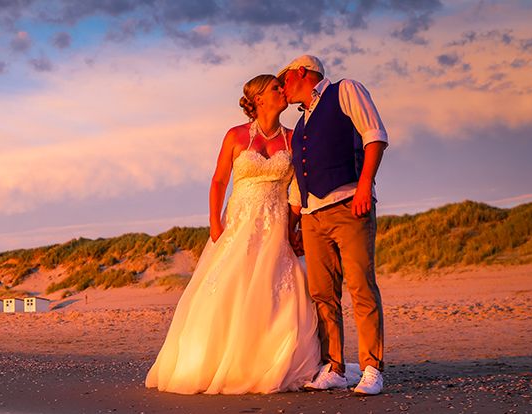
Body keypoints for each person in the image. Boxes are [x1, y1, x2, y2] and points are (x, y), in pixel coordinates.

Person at [145, 75, 320, 395]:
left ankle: (268, 358)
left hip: (276, 221)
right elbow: (218, 181)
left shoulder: (293, 137)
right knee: (228, 285)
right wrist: (214, 220)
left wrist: (294, 226)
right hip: (239, 221)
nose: (282, 92)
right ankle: (217, 360)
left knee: (276, 289)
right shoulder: (236, 136)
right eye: (274, 89)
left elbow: (298, 186)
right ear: (258, 99)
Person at [279, 54, 389, 396]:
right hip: (313, 216)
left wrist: (364, 187)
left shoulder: (345, 90)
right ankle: (335, 367)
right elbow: (299, 179)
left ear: (302, 73)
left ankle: (372, 368)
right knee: (322, 294)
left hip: (348, 205)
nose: (282, 90)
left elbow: (375, 136)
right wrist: (294, 224)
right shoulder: (300, 125)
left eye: (284, 82)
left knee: (360, 286)